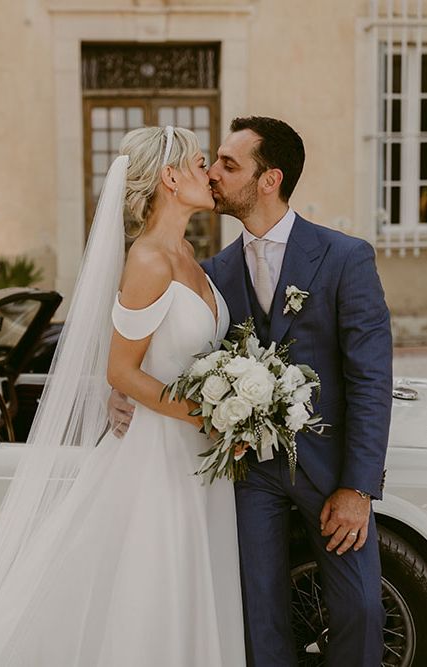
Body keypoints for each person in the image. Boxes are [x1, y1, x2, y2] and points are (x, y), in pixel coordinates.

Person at [0, 126, 246, 666]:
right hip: (159, 460)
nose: (209, 174)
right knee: (153, 596)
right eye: (202, 162)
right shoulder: (149, 260)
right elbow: (121, 370)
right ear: (170, 177)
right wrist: (207, 417)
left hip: (196, 457)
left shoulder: (185, 251)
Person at [110, 116, 392, 667]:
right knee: (258, 616)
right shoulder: (213, 272)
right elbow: (154, 350)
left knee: (360, 608)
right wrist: (126, 394)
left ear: (270, 180)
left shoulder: (344, 257)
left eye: (228, 164)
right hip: (242, 476)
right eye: (208, 161)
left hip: (331, 471)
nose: (213, 173)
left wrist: (358, 488)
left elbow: (371, 378)